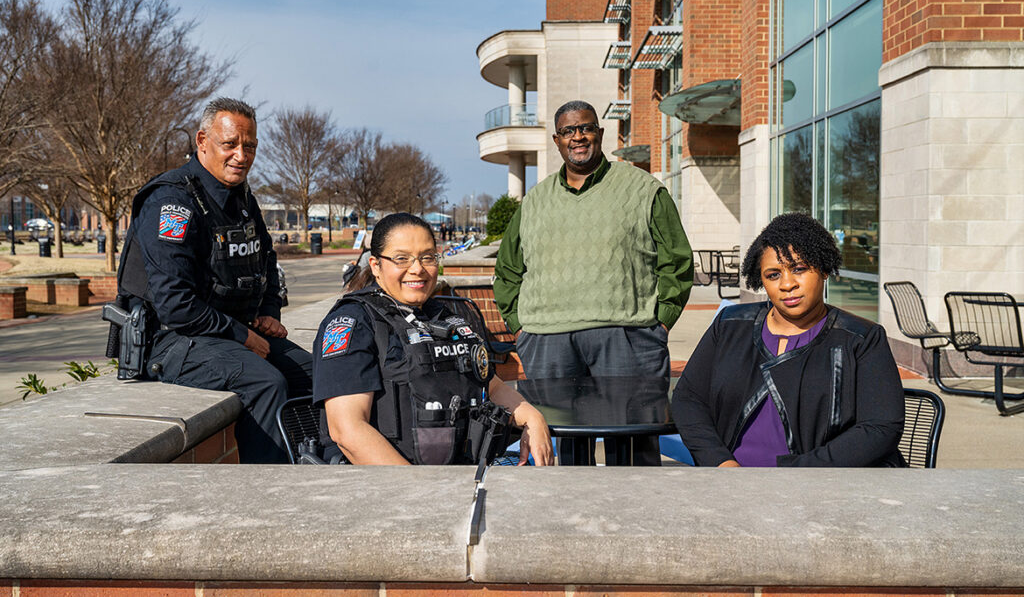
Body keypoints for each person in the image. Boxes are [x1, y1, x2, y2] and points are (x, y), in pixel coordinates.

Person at [494, 100, 693, 465]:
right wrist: (519, 327)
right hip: (547, 339)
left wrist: (661, 320)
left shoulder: (641, 188)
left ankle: (635, 518)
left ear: (599, 134)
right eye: (568, 131)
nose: (578, 137)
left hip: (627, 335)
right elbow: (508, 271)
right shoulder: (534, 202)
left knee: (634, 449)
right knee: (560, 446)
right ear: (557, 140)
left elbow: (677, 260)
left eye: (585, 128)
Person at [115, 97, 312, 464]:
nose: (241, 155)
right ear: (202, 141)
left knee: (318, 375)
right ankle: (271, 493)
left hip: (228, 332)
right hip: (172, 340)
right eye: (230, 144)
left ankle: (318, 469)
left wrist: (269, 311)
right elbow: (175, 304)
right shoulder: (171, 202)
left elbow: (266, 260)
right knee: (266, 384)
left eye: (249, 145)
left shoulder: (241, 198)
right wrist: (243, 335)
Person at [313, 212, 553, 466]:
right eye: (401, 259)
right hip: (390, 484)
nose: (417, 269)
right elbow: (348, 431)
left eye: (427, 257)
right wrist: (424, 491)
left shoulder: (444, 317)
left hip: (461, 472)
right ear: (376, 266)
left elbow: (491, 387)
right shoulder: (353, 323)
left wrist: (533, 419)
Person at [671, 212, 905, 467]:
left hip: (821, 488)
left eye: (799, 269)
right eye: (773, 275)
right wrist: (721, 462)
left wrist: (794, 474)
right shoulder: (729, 325)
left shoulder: (861, 339)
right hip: (731, 485)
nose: (787, 284)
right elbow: (688, 397)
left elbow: (881, 428)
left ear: (824, 269)